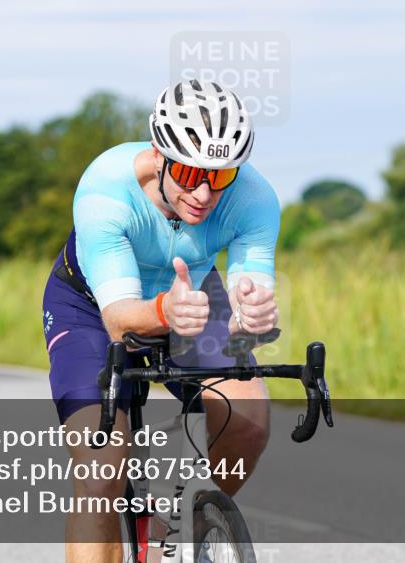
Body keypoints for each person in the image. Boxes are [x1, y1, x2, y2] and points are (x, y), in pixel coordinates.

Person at [42, 79, 280, 562]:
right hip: (92, 309)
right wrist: (162, 312)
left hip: (192, 297)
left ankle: (199, 519)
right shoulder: (106, 190)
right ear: (158, 156)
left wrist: (250, 316)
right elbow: (118, 322)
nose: (205, 193)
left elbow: (247, 295)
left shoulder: (254, 198)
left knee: (249, 420)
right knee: (101, 472)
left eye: (222, 176)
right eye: (190, 173)